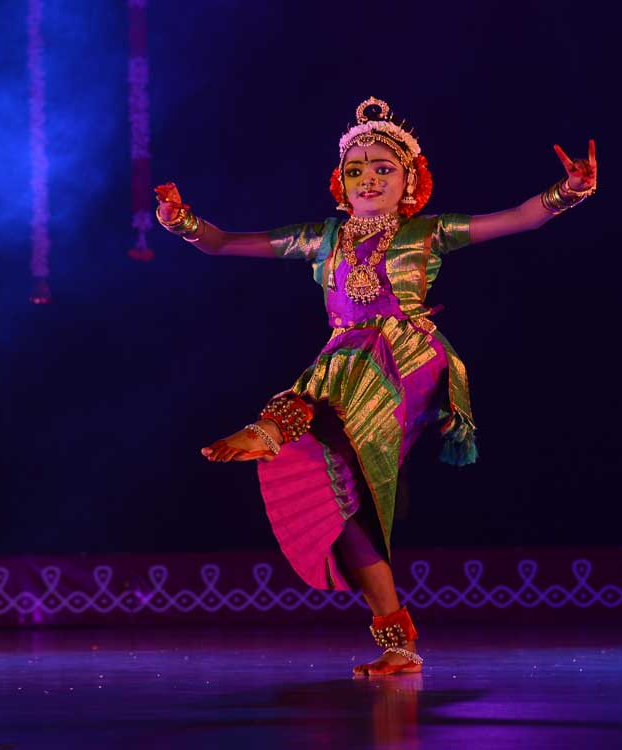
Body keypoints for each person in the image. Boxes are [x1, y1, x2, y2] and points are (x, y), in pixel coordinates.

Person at [155, 97, 597, 676]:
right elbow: (223, 243)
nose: (368, 178)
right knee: (344, 501)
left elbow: (518, 218)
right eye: (356, 169)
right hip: (343, 366)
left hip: (408, 354)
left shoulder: (427, 232)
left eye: (383, 168)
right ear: (341, 182)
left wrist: (568, 192)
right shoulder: (322, 238)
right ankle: (398, 644)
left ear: (410, 180)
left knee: (354, 355)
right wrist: (182, 222)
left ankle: (273, 426)